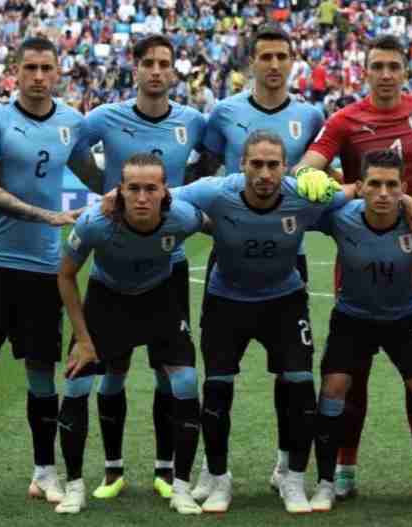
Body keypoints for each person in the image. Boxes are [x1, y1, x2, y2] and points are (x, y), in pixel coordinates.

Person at [0, 37, 102, 507]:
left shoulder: (72, 122)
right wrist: (47, 216)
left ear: (58, 72)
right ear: (15, 70)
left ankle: (43, 472)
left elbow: (96, 179)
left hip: (41, 271)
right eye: (29, 67)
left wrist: (144, 190)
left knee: (40, 371)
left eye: (45, 68)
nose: (37, 76)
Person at [294, 33, 412, 499]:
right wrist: (353, 191)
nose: (385, 74)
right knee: (350, 378)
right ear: (364, 71)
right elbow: (306, 171)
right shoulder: (345, 119)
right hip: (358, 257)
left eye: (393, 66)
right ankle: (343, 470)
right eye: (377, 66)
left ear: (406, 70)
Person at [173, 130, 355, 514]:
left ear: (285, 168)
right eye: (256, 163)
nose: (265, 173)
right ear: (242, 165)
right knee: (218, 389)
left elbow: (362, 192)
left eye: (273, 165)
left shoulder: (303, 195)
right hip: (226, 301)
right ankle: (219, 479)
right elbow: (161, 196)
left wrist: (402, 198)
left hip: (284, 303)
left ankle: (291, 478)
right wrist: (111, 200)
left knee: (301, 388)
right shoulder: (215, 191)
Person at [194, 25, 325, 494]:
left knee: (292, 373)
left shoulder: (311, 115)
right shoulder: (225, 113)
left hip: (288, 261)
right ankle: (214, 471)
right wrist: (211, 223)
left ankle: (285, 468)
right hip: (228, 261)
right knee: (218, 376)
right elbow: (202, 176)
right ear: (251, 63)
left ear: (292, 62)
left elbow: (325, 179)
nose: (273, 64)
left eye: (281, 56)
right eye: (265, 56)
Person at [79, 33, 207, 501]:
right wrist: (103, 187)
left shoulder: (192, 121)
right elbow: (73, 148)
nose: (156, 70)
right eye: (148, 63)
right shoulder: (105, 117)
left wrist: (182, 195)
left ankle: (165, 467)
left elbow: (210, 158)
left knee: (167, 372)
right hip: (113, 261)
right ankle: (112, 470)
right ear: (135, 69)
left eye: (164, 63)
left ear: (174, 71)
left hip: (167, 266)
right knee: (111, 372)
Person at [55, 153, 206, 515]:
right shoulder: (95, 222)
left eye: (150, 189)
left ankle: (181, 487)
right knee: (77, 383)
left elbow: (226, 223)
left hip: (160, 299)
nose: (142, 197)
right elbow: (64, 274)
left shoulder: (183, 217)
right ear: (118, 191)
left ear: (164, 192)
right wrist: (84, 340)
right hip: (107, 302)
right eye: (133, 188)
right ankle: (75, 487)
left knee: (184, 383)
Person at [309, 149, 412, 513]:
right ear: (360, 187)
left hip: (404, 319)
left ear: (403, 188)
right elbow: (295, 205)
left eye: (392, 185)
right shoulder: (340, 218)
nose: (383, 193)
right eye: (374, 184)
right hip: (352, 317)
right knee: (333, 389)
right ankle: (328, 481)